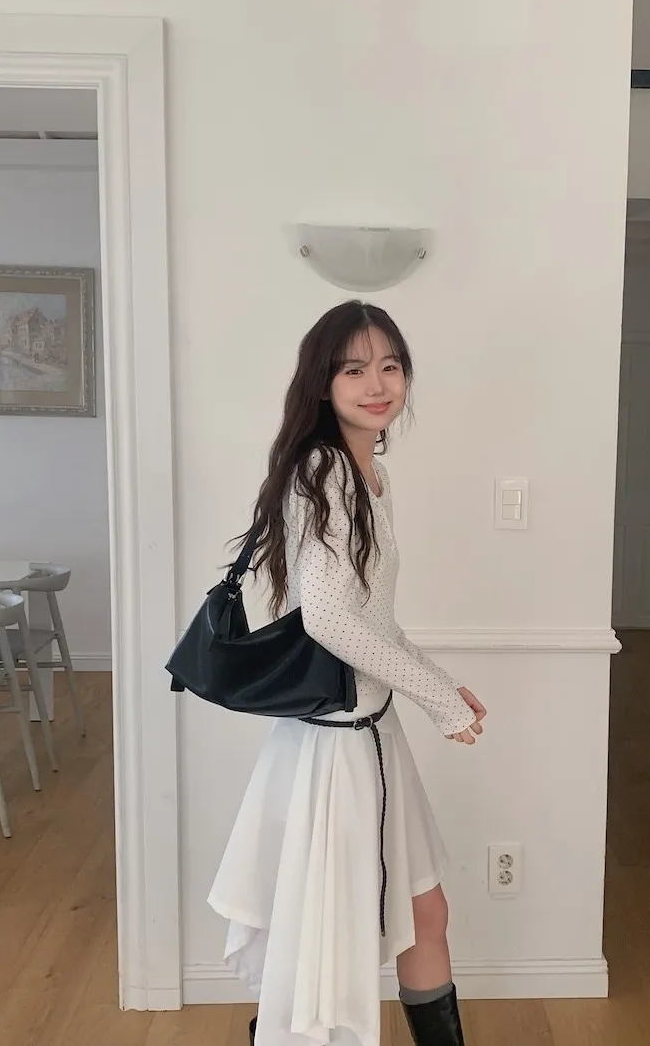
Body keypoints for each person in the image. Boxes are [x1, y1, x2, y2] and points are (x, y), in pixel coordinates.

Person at [207, 300, 487, 1046]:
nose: (377, 384)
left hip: (368, 732)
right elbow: (329, 619)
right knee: (335, 939)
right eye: (354, 369)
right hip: (336, 746)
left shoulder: (368, 474)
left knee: (422, 913)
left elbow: (373, 618)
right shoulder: (325, 470)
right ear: (323, 382)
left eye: (390, 366)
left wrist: (440, 685)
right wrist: (438, 700)